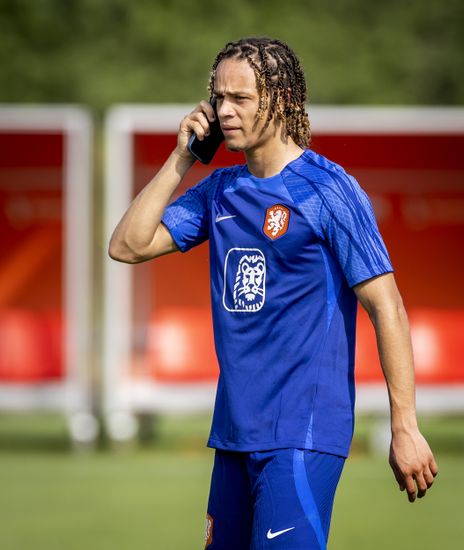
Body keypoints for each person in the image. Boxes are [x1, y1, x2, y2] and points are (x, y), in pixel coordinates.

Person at [109, 37, 438, 550]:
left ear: (281, 100)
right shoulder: (220, 190)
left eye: (240, 98)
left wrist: (405, 426)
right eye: (218, 98)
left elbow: (387, 307)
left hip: (303, 435)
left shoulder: (329, 190)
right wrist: (181, 159)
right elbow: (127, 246)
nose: (224, 110)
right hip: (235, 434)